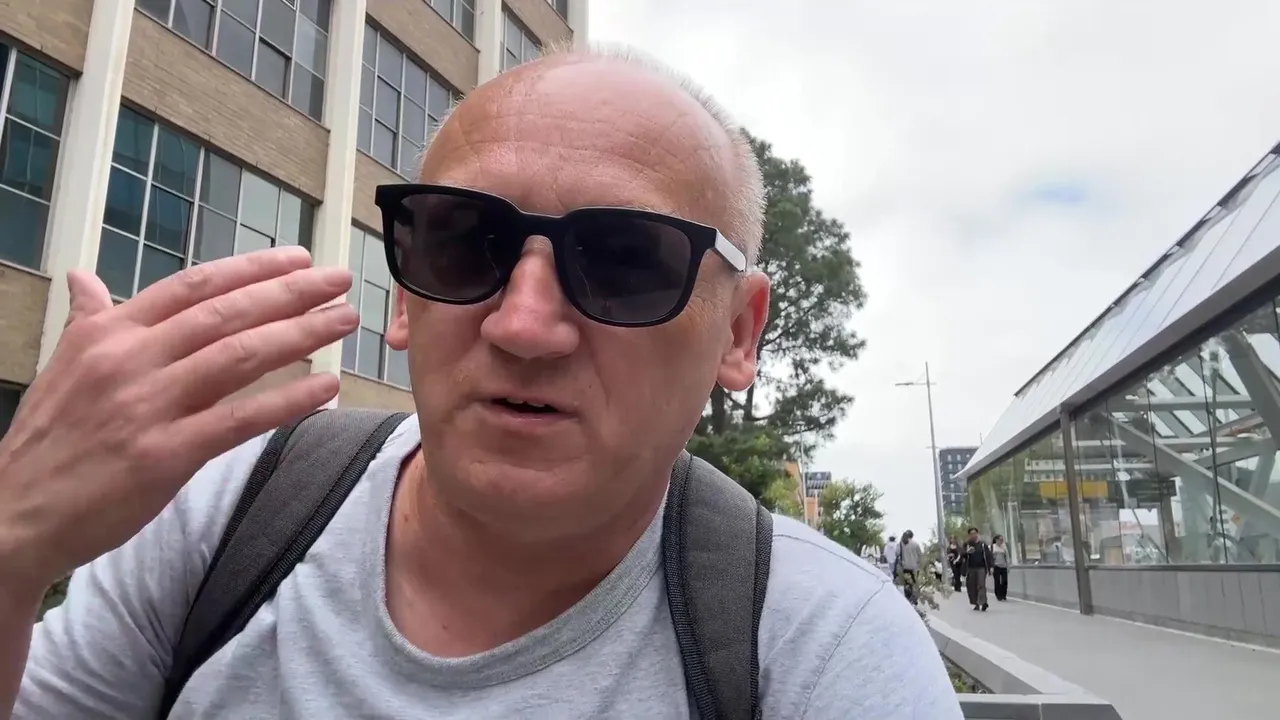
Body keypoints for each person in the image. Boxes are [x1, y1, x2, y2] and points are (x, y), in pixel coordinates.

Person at [0, 47, 962, 718]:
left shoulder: (822, 650)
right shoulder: (221, 516)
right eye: (465, 243)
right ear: (403, 298)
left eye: (625, 260)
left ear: (738, 335)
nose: (524, 326)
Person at [962, 527, 994, 611]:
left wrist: (991, 566)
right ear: (969, 535)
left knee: (981, 585)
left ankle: (983, 602)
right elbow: (962, 554)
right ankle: (976, 603)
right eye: (971, 534)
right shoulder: (966, 545)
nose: (973, 535)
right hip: (970, 568)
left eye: (975, 533)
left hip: (981, 568)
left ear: (977, 534)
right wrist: (967, 552)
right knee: (972, 586)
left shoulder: (982, 545)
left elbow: (989, 556)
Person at [897, 530, 922, 606]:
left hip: (905, 567)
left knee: (907, 584)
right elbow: (920, 555)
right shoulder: (916, 544)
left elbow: (897, 553)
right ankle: (914, 599)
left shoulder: (901, 544)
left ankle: (908, 599)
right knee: (914, 584)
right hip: (915, 568)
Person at [991, 535, 1010, 601]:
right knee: (997, 581)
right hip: (996, 566)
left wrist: (1008, 566)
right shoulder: (992, 547)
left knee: (1005, 581)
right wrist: (991, 567)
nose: (1001, 541)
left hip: (1003, 566)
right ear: (996, 540)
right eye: (1000, 539)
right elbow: (990, 557)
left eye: (1002, 539)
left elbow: (1007, 557)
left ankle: (1003, 595)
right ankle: (998, 595)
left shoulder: (1004, 547)